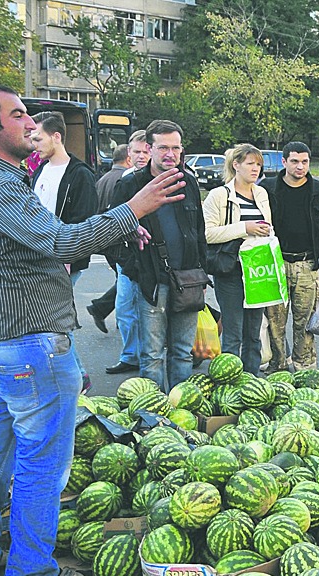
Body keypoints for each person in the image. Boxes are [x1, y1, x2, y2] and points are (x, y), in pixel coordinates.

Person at [0, 83, 184, 576]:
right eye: (17, 114)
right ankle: (31, 571)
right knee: (42, 462)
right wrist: (135, 208)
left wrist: (117, 230)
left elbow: (43, 240)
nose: (30, 121)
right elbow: (60, 242)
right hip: (29, 345)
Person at [111, 119, 207, 392]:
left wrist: (201, 272)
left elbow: (198, 231)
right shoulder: (131, 185)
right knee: (152, 355)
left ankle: (181, 409)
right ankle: (154, 416)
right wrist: (134, 269)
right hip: (151, 281)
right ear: (149, 149)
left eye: (175, 148)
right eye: (163, 147)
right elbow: (109, 234)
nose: (170, 154)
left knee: (182, 352)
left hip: (187, 280)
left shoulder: (187, 181)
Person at [30, 111, 98, 393]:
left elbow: (85, 220)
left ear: (56, 137)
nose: (33, 143)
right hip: (37, 258)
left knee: (52, 319)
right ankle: (71, 375)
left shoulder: (80, 174)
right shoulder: (39, 170)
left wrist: (67, 253)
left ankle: (77, 376)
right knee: (47, 320)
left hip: (64, 259)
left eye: (38, 137)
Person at [262, 141, 319, 371]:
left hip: (307, 265)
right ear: (284, 162)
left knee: (305, 321)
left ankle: (304, 366)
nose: (300, 166)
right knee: (276, 321)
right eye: (294, 161)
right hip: (276, 263)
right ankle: (278, 366)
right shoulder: (268, 188)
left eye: (304, 162)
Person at [203, 144, 273, 373]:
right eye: (250, 163)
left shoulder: (261, 193)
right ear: (236, 165)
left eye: (259, 164)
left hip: (257, 270)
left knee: (254, 334)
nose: (256, 169)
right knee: (233, 333)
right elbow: (207, 234)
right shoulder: (219, 195)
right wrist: (245, 227)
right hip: (231, 270)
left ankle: (250, 379)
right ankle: (230, 381)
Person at [83, 144, 130, 337]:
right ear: (128, 159)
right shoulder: (123, 179)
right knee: (127, 280)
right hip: (117, 240)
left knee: (124, 280)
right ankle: (109, 312)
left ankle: (103, 310)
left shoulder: (103, 178)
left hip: (104, 240)